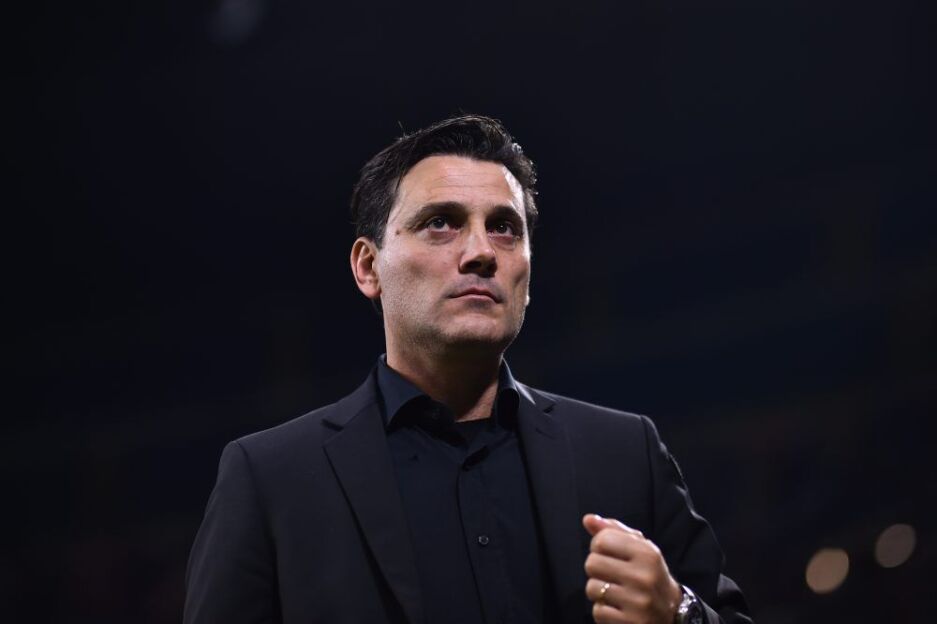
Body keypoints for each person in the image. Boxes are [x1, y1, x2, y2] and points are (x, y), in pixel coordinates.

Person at [184, 115, 752, 624]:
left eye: (504, 227)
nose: (482, 252)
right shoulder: (271, 478)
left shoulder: (626, 453)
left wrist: (680, 613)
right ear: (368, 267)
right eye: (441, 222)